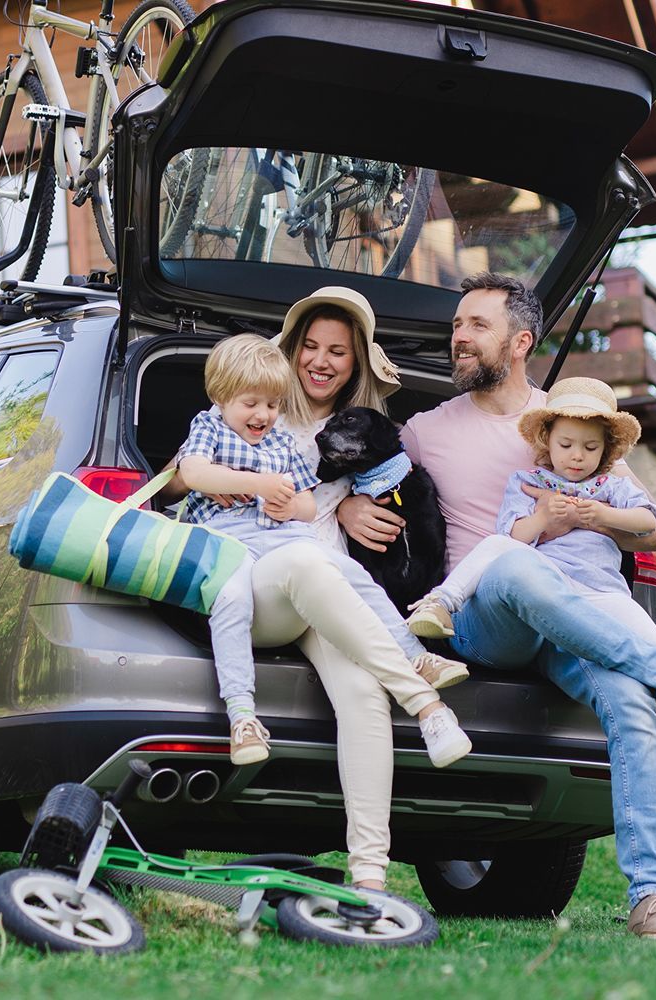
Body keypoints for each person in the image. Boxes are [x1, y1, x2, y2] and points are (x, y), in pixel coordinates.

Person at [338, 271, 656, 939]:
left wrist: (589, 517)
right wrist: (348, 506)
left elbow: (654, 532)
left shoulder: (573, 423)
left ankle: (651, 898)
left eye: (477, 326)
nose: (459, 337)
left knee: (628, 701)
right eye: (457, 325)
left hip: (574, 620)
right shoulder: (428, 429)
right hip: (488, 621)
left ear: (520, 342)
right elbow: (363, 469)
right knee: (512, 563)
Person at [161, 286, 457, 891]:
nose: (321, 361)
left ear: (357, 363)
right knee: (307, 560)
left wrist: (341, 504)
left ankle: (369, 879)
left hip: (330, 598)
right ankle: (425, 700)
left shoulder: (363, 433)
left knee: (362, 694)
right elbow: (175, 478)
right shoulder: (248, 410)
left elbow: (364, 497)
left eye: (338, 352)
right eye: (311, 347)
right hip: (263, 582)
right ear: (292, 350)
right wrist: (227, 481)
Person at [171, 333, 473, 770]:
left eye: (272, 405)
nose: (263, 414)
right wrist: (253, 484)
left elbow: (308, 503)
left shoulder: (287, 439)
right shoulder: (212, 425)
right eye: (252, 403)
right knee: (245, 592)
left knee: (356, 610)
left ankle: (417, 657)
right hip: (240, 550)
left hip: (291, 548)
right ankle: (242, 714)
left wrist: (293, 506)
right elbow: (190, 473)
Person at [404, 376, 656, 790]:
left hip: (602, 591)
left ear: (606, 451)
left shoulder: (612, 486)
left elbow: (650, 522)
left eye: (590, 448)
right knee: (497, 545)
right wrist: (544, 518)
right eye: (566, 445)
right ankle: (442, 602)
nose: (577, 456)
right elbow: (513, 536)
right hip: (547, 584)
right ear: (547, 442)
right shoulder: (530, 481)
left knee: (654, 644)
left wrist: (601, 516)